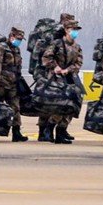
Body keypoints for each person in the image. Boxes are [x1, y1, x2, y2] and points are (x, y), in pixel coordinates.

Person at [40, 17, 83, 145]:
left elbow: (78, 62)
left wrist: (68, 69)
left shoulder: (77, 47)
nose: (75, 32)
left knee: (73, 104)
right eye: (72, 29)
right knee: (60, 104)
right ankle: (50, 128)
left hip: (70, 77)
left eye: (76, 29)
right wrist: (56, 67)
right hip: (56, 79)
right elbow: (46, 58)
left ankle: (61, 131)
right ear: (66, 30)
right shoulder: (57, 44)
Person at [0, 28, 28, 142]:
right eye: (18, 38)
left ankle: (16, 132)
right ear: (12, 36)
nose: (19, 41)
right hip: (1, 83)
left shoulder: (16, 49)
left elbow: (18, 66)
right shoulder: (1, 48)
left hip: (13, 84)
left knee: (15, 107)